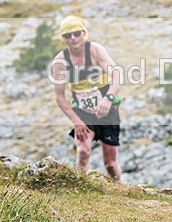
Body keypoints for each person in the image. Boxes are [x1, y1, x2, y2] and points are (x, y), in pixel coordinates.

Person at [50, 15, 123, 181]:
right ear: (63, 39)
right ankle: (80, 186)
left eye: (76, 33)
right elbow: (60, 97)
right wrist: (76, 121)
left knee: (110, 164)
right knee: (83, 151)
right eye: (68, 35)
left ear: (84, 33)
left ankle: (120, 190)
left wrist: (108, 98)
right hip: (82, 112)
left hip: (107, 111)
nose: (73, 38)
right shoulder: (60, 62)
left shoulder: (95, 50)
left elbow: (117, 75)